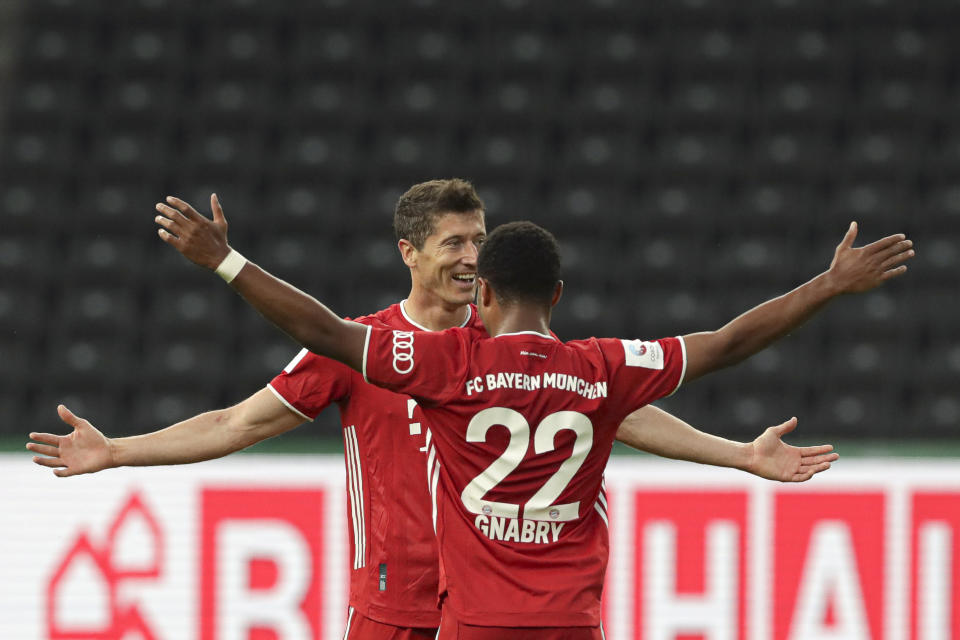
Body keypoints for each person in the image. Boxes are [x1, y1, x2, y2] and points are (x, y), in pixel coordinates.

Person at [26, 181, 838, 640]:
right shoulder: (364, 350)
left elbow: (616, 419)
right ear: (408, 254)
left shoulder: (511, 358)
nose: (470, 256)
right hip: (392, 608)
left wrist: (735, 454)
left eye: (478, 240)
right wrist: (120, 449)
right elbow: (236, 423)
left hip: (481, 613)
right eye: (453, 242)